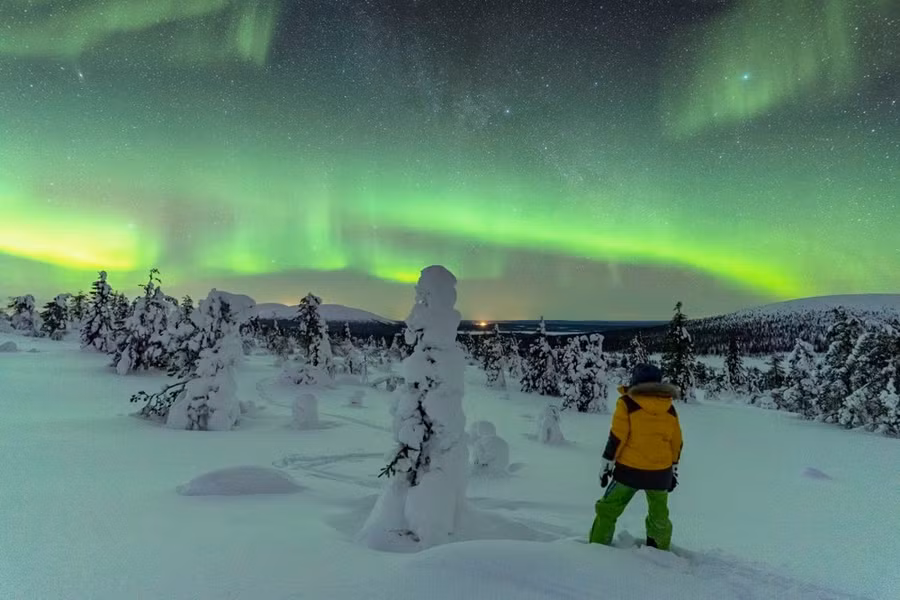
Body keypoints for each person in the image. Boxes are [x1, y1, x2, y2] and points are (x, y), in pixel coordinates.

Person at [589, 363, 683, 550]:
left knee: (608, 509)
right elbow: (676, 441)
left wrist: (606, 463)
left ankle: (597, 548)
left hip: (629, 470)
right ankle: (660, 552)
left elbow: (617, 436)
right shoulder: (669, 407)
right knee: (659, 516)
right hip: (660, 472)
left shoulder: (627, 403)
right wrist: (673, 469)